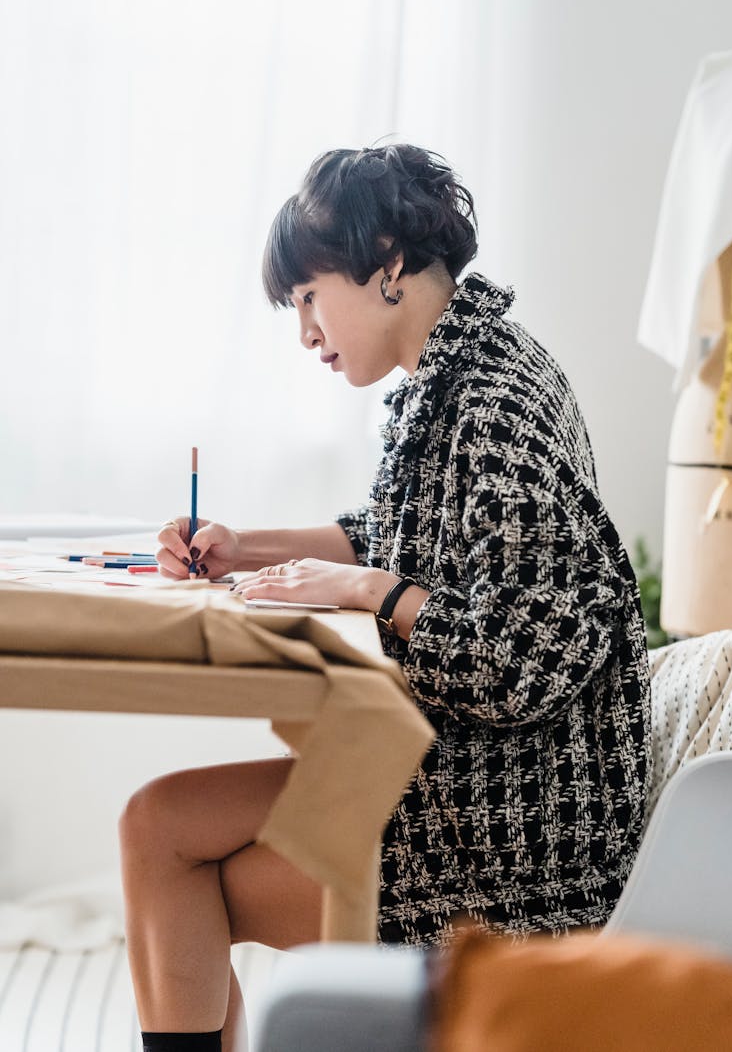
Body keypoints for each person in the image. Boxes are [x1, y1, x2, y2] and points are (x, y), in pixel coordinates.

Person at [119, 143, 652, 1052]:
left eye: (308, 299)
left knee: (180, 868)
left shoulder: (494, 404)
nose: (305, 333)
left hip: (513, 836)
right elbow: (396, 530)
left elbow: (523, 662)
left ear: (390, 266)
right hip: (456, 778)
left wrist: (368, 588)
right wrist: (247, 547)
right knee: (156, 821)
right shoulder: (448, 378)